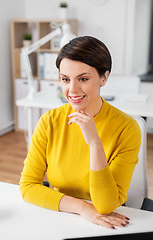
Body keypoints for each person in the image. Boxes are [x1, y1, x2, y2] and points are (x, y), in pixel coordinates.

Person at [19, 36, 141, 229]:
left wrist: (94, 142)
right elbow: (27, 187)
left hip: (105, 223)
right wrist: (82, 207)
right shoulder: (49, 121)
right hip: (61, 214)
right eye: (65, 79)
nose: (72, 90)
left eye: (83, 79)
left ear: (104, 77)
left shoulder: (127, 128)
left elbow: (105, 205)